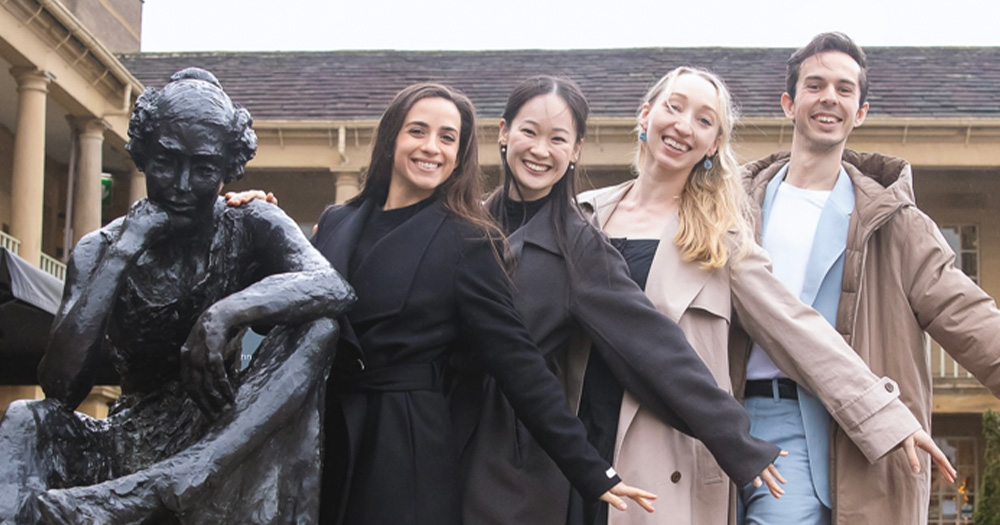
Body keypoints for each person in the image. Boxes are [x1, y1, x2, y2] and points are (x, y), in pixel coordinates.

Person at [575, 66, 955, 525]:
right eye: (674, 108)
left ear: (714, 144)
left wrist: (886, 415)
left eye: (703, 120)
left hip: (662, 459)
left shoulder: (718, 238)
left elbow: (795, 328)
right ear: (645, 114)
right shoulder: (583, 217)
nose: (682, 126)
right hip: (573, 443)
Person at [0, 68, 357, 524]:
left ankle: (174, 481)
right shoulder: (100, 248)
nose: (183, 186)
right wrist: (124, 252)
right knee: (26, 420)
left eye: (204, 168)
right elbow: (60, 388)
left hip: (224, 435)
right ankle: (158, 485)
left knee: (318, 326)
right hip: (128, 440)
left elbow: (332, 286)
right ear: (144, 156)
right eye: (166, 163)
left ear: (229, 169)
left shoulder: (251, 224)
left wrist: (223, 313)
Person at [306, 82, 655, 525]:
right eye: (418, 131)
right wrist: (253, 219)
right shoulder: (338, 221)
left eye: (447, 138)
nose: (431, 147)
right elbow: (291, 314)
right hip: (329, 433)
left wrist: (592, 469)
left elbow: (518, 361)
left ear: (460, 151)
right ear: (392, 135)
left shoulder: (469, 239)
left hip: (407, 444)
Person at [454, 75, 785, 525]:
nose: (539, 149)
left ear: (575, 151)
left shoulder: (579, 244)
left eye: (558, 138)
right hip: (434, 423)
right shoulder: (465, 223)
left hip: (511, 451)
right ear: (503, 132)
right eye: (529, 131)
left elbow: (653, 346)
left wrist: (735, 438)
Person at [737, 32, 1000, 525]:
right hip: (718, 414)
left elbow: (966, 312)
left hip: (822, 420)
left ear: (860, 112)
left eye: (843, 88)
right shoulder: (731, 205)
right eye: (815, 85)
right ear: (789, 103)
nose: (829, 97)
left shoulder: (893, 221)